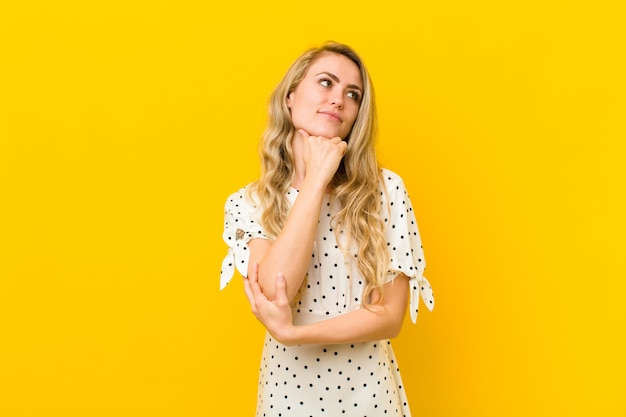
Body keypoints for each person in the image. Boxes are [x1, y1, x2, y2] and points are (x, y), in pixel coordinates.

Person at [220, 42, 434, 417]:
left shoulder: (385, 191)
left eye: (353, 94)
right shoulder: (250, 202)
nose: (338, 100)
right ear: (291, 95)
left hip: (370, 396)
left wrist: (295, 334)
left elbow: (390, 316)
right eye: (325, 82)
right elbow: (274, 289)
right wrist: (316, 180)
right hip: (287, 396)